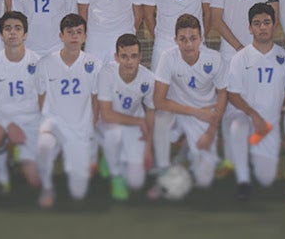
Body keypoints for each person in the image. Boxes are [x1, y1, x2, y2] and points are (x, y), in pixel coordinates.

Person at [211, 0, 280, 178]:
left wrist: (256, 47)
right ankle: (231, 161)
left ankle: (257, 154)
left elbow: (274, 14)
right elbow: (215, 19)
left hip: (261, 52)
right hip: (231, 53)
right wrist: (240, 48)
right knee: (232, 108)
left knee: (259, 103)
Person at [151, 14, 227, 192]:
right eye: (183, 39)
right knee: (160, 120)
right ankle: (163, 168)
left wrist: (211, 131)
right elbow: (158, 101)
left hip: (205, 116)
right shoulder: (168, 57)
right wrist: (194, 111)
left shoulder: (215, 59)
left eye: (193, 39)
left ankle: (187, 150)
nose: (188, 45)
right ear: (175, 40)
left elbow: (223, 94)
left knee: (204, 180)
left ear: (201, 38)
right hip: (180, 112)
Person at [226, 3, 285, 200]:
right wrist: (254, 115)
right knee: (238, 126)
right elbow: (233, 95)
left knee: (266, 178)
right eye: (257, 23)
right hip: (245, 115)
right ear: (250, 28)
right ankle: (243, 180)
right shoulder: (240, 58)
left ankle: (252, 151)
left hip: (269, 124)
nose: (262, 27)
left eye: (266, 22)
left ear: (274, 25)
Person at [34, 14, 100, 208]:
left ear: (85, 36)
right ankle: (47, 187)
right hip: (54, 124)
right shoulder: (45, 63)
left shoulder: (94, 64)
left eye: (79, 32)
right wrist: (44, 124)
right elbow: (41, 97)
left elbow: (96, 99)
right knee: (44, 146)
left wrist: (91, 126)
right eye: (69, 32)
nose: (74, 36)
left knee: (78, 193)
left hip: (80, 127)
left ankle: (86, 160)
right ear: (61, 36)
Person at [0, 11, 43, 194]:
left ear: (25, 34)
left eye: (17, 28)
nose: (12, 33)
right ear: (1, 34)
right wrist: (10, 125)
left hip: (31, 121)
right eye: (7, 29)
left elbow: (43, 101)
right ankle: (1, 176)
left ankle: (20, 153)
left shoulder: (38, 62)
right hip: (3, 119)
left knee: (35, 183)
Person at [97, 34, 155, 201]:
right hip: (106, 123)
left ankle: (113, 157)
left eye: (134, 56)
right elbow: (107, 115)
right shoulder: (107, 72)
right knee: (113, 135)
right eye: (124, 56)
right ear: (116, 57)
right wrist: (139, 121)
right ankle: (115, 173)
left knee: (136, 182)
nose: (129, 61)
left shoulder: (149, 79)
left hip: (134, 124)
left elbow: (151, 111)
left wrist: (148, 148)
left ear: (140, 57)